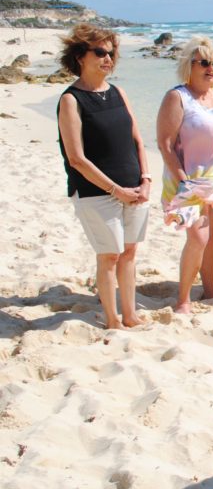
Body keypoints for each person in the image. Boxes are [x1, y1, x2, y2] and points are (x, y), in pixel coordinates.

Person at [56, 24, 150, 329]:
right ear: (80, 56)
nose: (108, 58)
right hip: (96, 193)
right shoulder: (71, 100)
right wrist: (116, 190)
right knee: (109, 255)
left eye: (111, 53)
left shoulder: (118, 92)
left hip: (135, 188)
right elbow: (76, 158)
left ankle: (131, 315)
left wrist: (146, 179)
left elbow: (137, 140)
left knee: (130, 252)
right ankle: (112, 320)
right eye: (100, 52)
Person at [156, 36, 213, 314]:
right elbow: (165, 144)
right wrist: (184, 181)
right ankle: (183, 300)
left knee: (211, 238)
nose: (211, 69)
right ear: (188, 65)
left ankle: (211, 292)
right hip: (189, 181)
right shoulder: (177, 97)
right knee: (198, 238)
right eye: (204, 63)